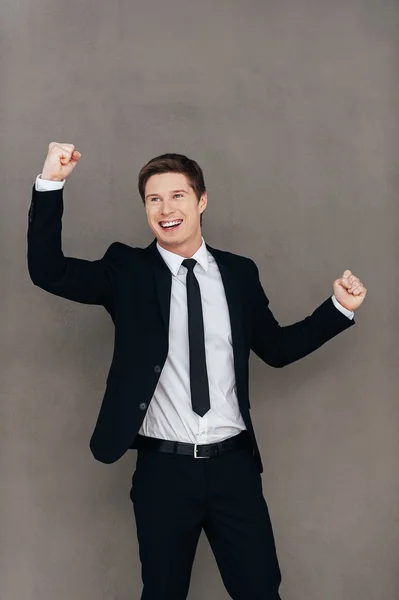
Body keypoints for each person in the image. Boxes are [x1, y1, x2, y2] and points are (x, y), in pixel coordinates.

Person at [27, 142, 367, 600]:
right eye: (154, 199)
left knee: (261, 591)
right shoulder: (126, 270)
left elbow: (278, 348)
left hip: (234, 469)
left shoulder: (238, 274)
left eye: (178, 196)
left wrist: (337, 310)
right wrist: (52, 180)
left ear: (201, 200)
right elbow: (48, 271)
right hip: (163, 472)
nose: (166, 209)